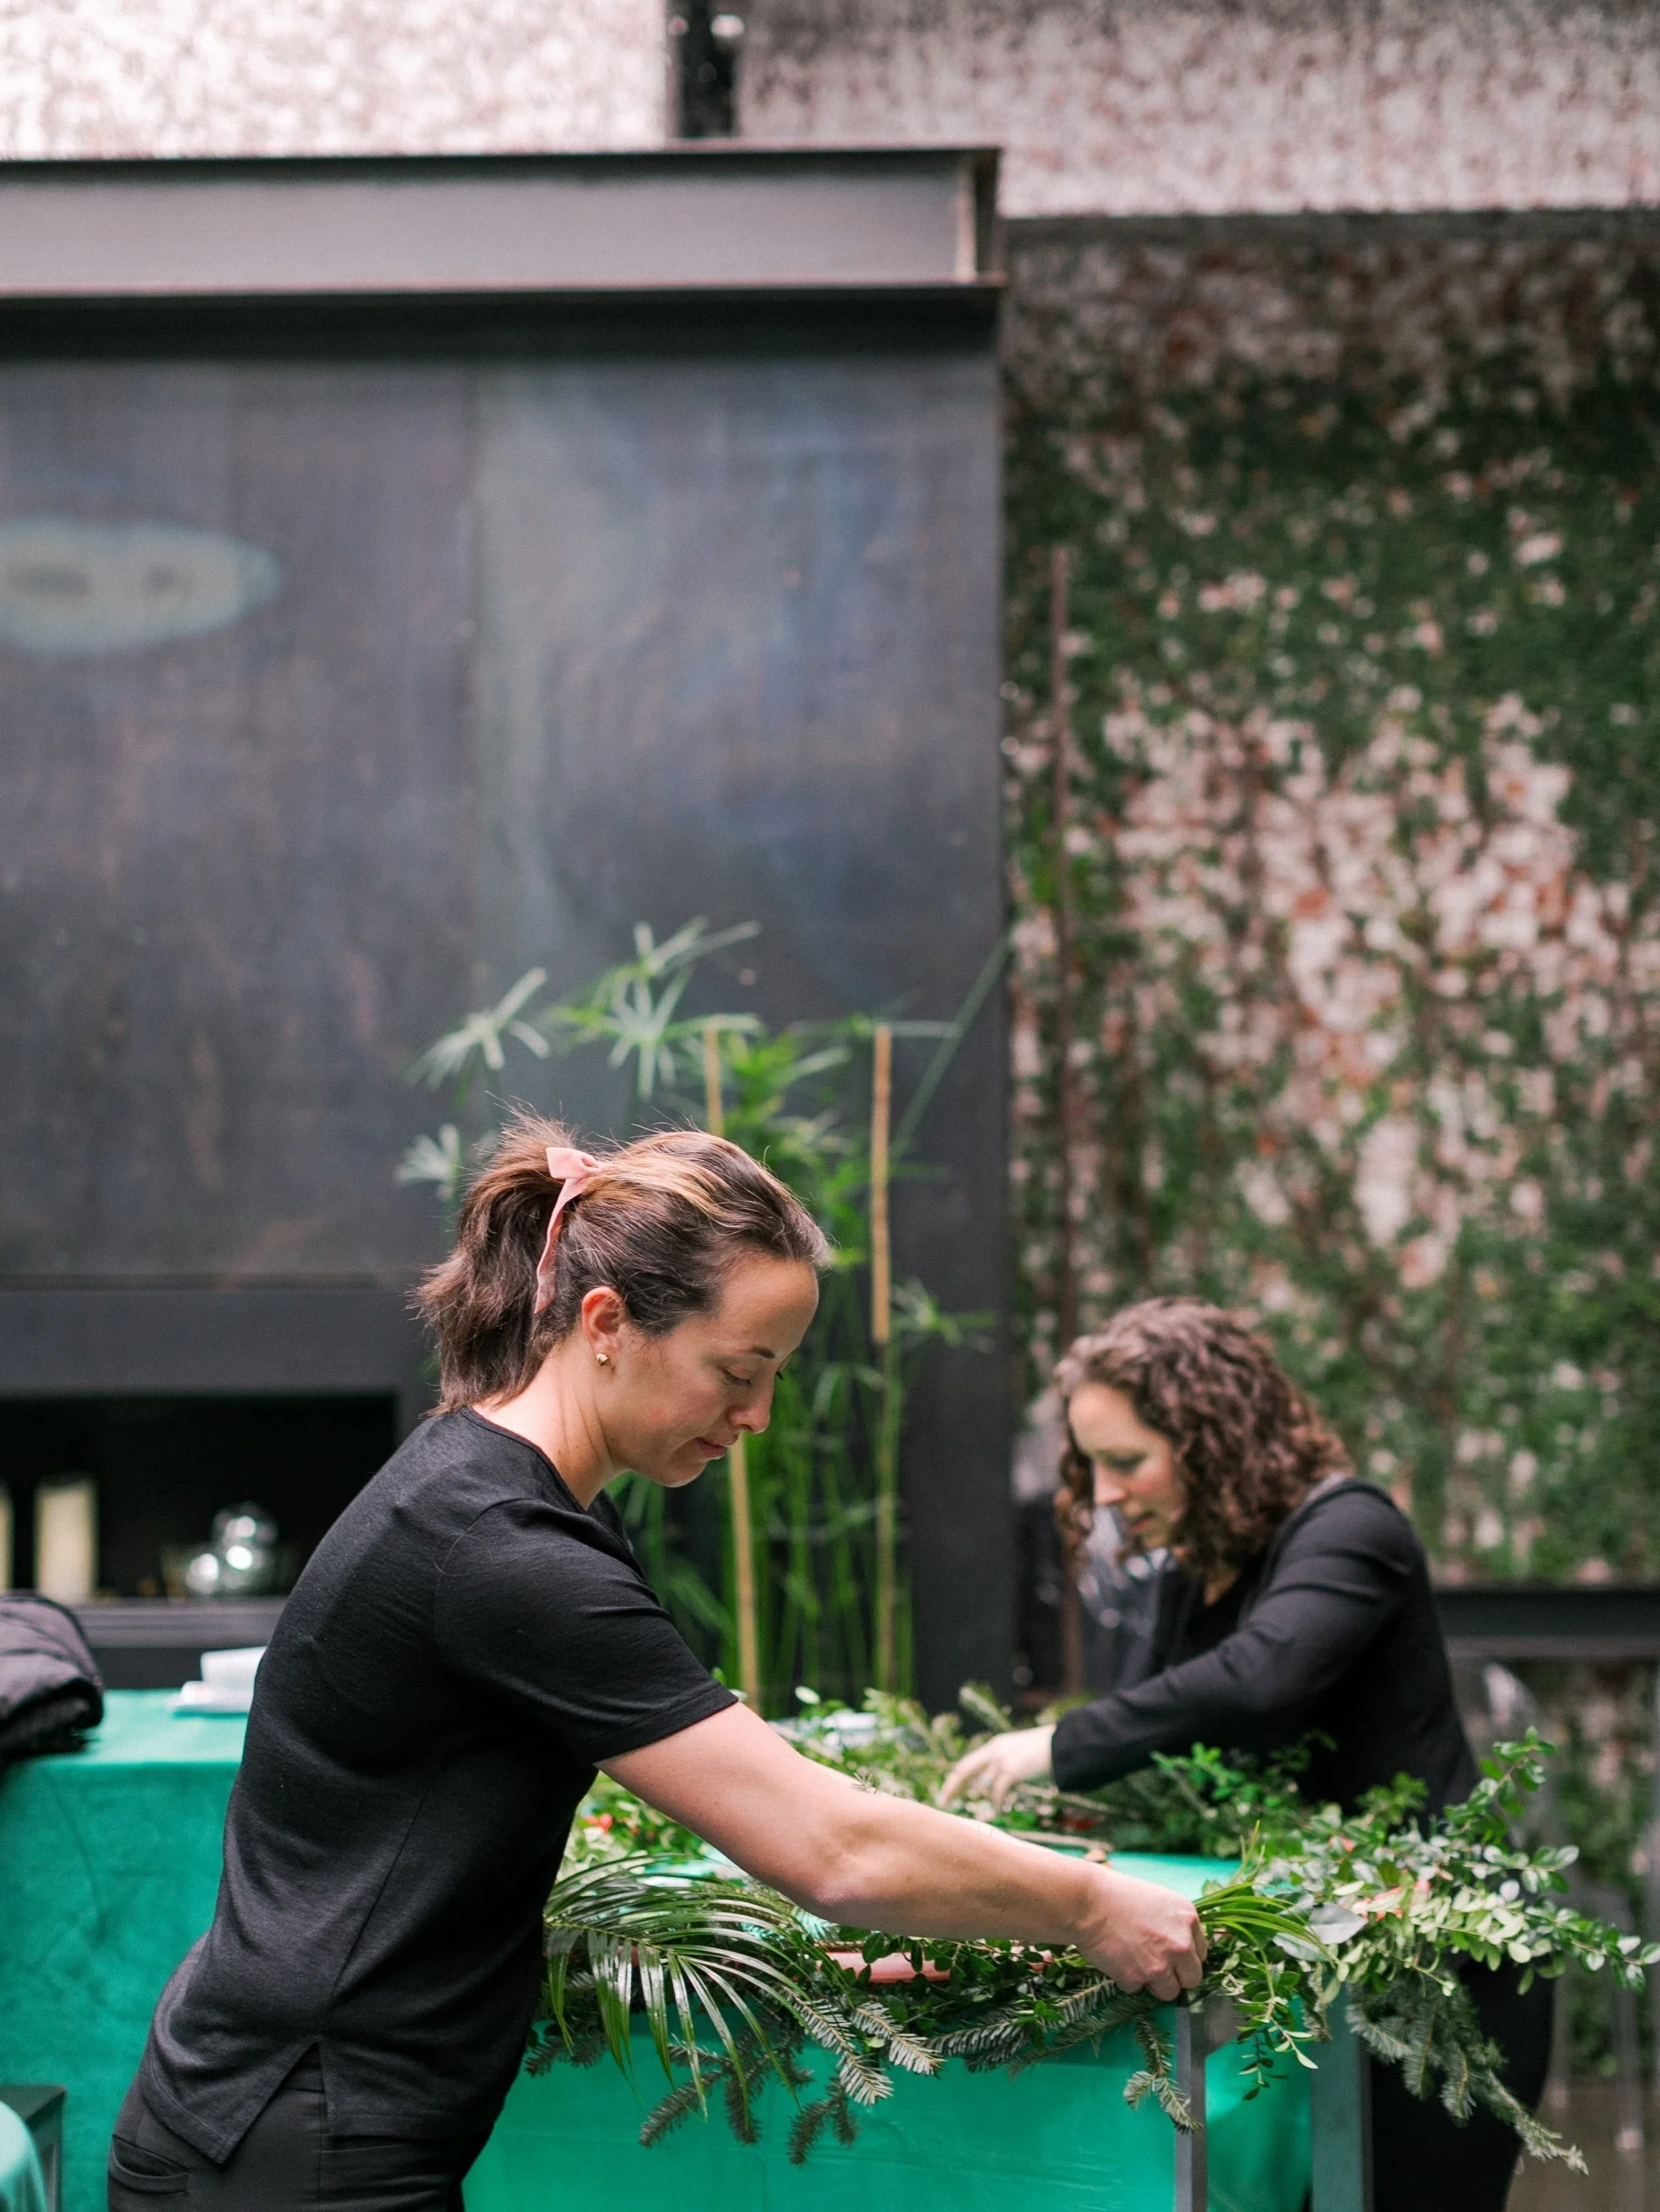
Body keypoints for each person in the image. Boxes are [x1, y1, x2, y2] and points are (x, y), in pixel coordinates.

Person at [109, 1123, 1205, 2212]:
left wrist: (831, 1939)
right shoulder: (503, 1552)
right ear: (605, 1324)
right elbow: (832, 1846)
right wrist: (1091, 1906)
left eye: (774, 1377)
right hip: (294, 2141)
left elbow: (734, 1800)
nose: (758, 1417)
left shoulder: (508, 1496)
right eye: (738, 1371)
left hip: (294, 2119)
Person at [942, 1297, 1552, 2212]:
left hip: (1446, 1965)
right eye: (1091, 1466)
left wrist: (1058, 1744)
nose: (1104, 1496)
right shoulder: (1193, 1571)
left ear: (1212, 1442)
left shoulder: (1351, 1529)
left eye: (1127, 1462)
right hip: (1326, 1976)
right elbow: (1161, 1737)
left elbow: (1261, 1677)